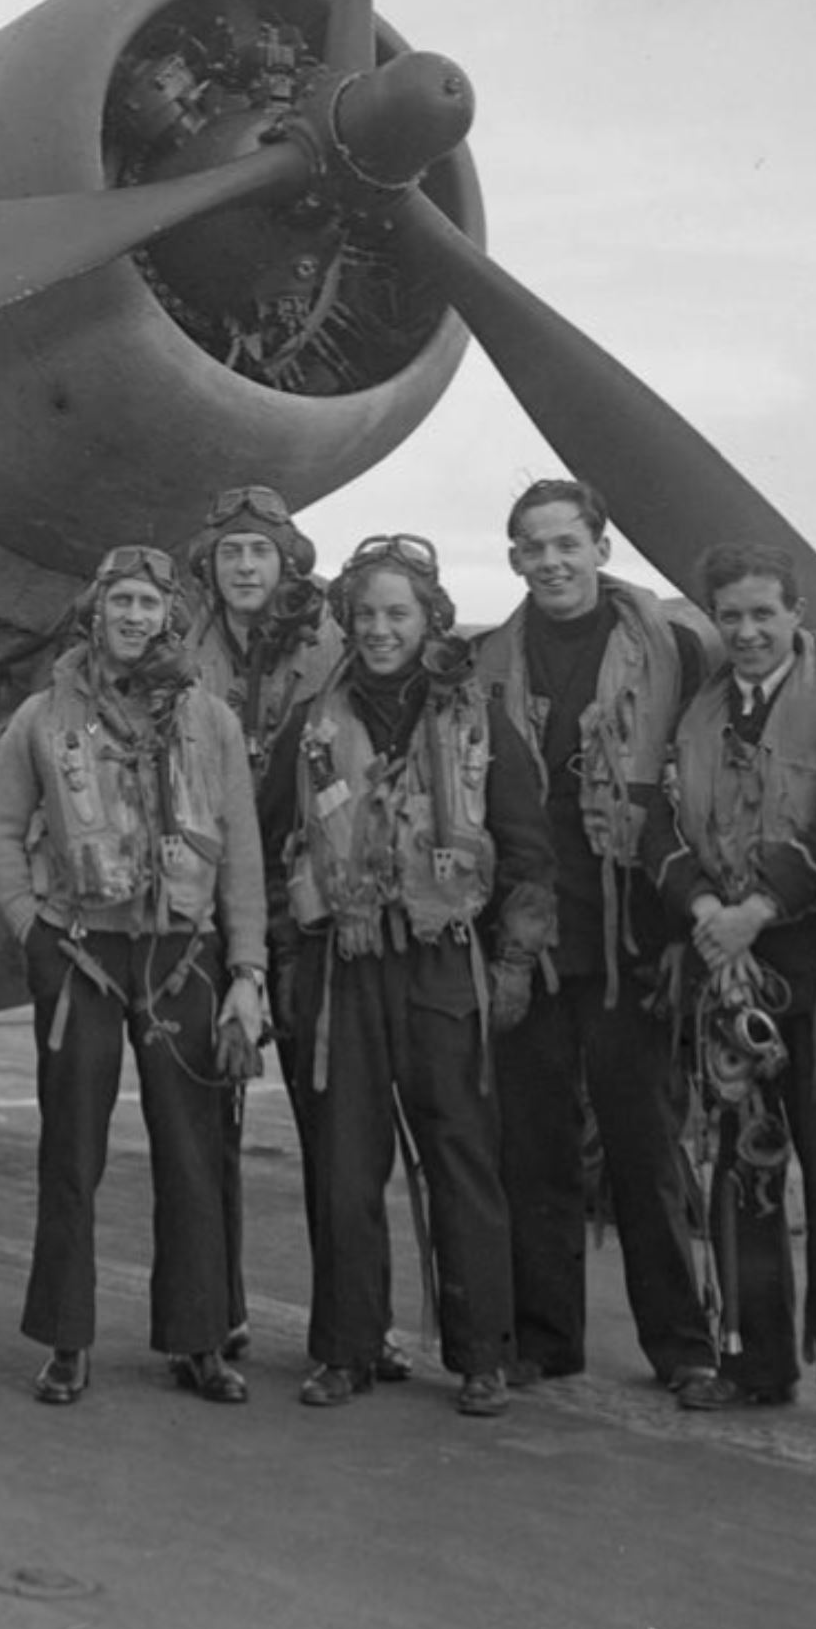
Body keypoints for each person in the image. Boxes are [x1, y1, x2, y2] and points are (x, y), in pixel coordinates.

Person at [261, 534, 552, 1419]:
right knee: (345, 1166)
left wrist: (510, 962)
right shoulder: (309, 727)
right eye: (367, 615)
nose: (381, 629)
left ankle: (481, 1356)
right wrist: (284, 954)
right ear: (346, 622)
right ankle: (345, 1349)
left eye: (399, 613)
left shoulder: (478, 720)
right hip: (343, 968)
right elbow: (272, 849)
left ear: (432, 619)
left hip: (442, 964)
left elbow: (528, 851)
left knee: (462, 1156)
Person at [0, 543, 269, 1406]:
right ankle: (67, 1340)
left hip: (182, 954)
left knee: (191, 1152)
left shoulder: (209, 720)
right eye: (122, 602)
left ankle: (199, 1338)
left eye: (150, 603)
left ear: (169, 616)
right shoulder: (40, 718)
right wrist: (31, 929)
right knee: (71, 1150)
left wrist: (246, 971)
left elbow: (240, 848)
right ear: (95, 612)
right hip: (81, 954)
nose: (135, 617)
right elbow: (1, 833)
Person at [475, 477, 719, 1390]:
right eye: (533, 548)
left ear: (601, 547)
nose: (551, 562)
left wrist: (688, 929)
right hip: (531, 941)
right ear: (514, 561)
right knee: (531, 1149)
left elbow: (707, 788)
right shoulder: (488, 663)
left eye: (566, 543)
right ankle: (546, 1339)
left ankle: (683, 1347)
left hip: (630, 942)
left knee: (644, 1147)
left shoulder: (678, 653)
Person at [651, 542, 816, 1429]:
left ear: (797, 614)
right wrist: (707, 909)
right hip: (727, 964)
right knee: (742, 1171)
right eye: (732, 616)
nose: (747, 631)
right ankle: (756, 1361)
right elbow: (659, 820)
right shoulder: (697, 710)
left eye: (765, 613)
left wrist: (754, 910)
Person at [182, 484, 345, 1363]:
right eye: (232, 551)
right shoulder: (178, 645)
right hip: (209, 907)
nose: (246, 567)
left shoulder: (338, 644)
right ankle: (217, 1314)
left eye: (261, 552)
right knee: (211, 1121)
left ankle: (350, 1325)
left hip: (308, 902)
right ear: (209, 562)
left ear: (288, 562)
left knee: (337, 1124)